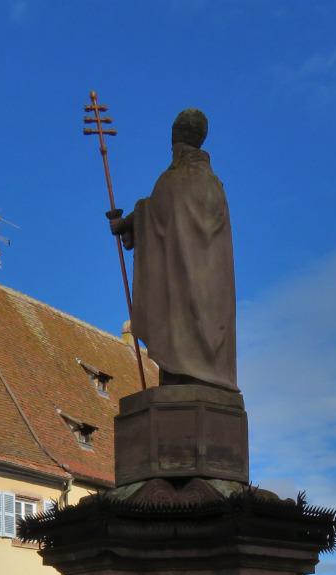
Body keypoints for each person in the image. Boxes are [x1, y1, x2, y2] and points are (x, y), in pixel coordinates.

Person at [107, 108, 237, 393]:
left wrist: (125, 224)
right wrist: (133, 221)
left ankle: (179, 377)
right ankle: (197, 376)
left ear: (176, 143)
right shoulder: (215, 187)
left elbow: (156, 212)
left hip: (182, 288)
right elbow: (160, 212)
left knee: (177, 331)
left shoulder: (174, 181)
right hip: (213, 294)